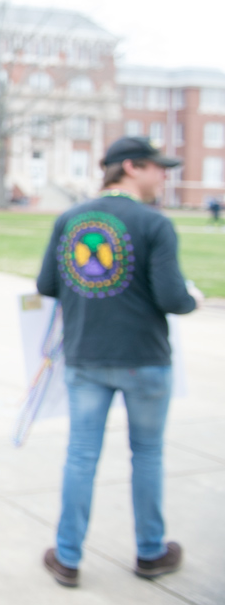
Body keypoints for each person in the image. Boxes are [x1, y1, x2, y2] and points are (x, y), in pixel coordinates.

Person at [37, 136, 203, 588]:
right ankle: (151, 551)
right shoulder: (154, 223)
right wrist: (193, 299)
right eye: (157, 167)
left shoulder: (70, 219)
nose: (163, 176)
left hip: (86, 356)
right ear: (130, 167)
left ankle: (67, 556)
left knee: (81, 456)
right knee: (147, 455)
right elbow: (173, 298)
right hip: (145, 360)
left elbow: (47, 284)